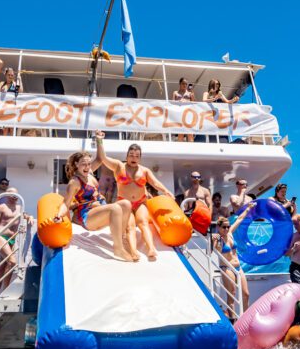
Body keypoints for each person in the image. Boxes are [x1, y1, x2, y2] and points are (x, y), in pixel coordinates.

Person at [95, 131, 174, 261]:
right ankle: (133, 251)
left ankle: (151, 248)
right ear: (127, 155)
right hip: (123, 202)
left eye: (137, 156)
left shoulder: (144, 170)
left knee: (143, 222)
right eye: (131, 155)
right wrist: (99, 141)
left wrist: (166, 191)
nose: (133, 158)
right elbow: (103, 158)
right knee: (129, 227)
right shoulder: (118, 166)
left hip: (140, 202)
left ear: (140, 158)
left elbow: (155, 182)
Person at [55, 151, 135, 262]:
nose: (87, 167)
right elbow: (66, 203)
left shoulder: (90, 173)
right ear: (76, 164)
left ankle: (120, 238)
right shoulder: (74, 182)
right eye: (83, 164)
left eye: (88, 164)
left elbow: (100, 158)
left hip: (100, 210)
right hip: (88, 217)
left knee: (126, 204)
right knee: (115, 208)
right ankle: (118, 249)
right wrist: (59, 215)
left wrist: (99, 139)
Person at [212, 203, 254, 317]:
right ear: (218, 227)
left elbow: (239, 219)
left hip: (238, 267)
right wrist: (214, 240)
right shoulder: (218, 239)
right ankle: (233, 321)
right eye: (224, 227)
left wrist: (248, 209)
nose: (226, 229)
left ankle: (246, 319)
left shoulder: (230, 234)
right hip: (227, 268)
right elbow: (214, 250)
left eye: (228, 226)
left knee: (246, 294)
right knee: (232, 295)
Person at [0, 188, 33, 295]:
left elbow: (25, 215)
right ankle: (6, 292)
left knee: (2, 268)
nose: (15, 196)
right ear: (6, 195)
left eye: (16, 194)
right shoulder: (1, 207)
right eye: (12, 194)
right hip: (2, 237)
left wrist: (30, 217)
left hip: (12, 240)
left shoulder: (20, 208)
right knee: (12, 262)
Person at [172, 78, 195, 142]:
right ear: (180, 84)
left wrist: (191, 96)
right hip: (179, 114)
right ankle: (180, 150)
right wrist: (179, 101)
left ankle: (192, 149)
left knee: (190, 133)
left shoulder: (190, 93)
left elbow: (194, 104)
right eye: (183, 84)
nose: (185, 85)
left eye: (186, 84)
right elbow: (172, 103)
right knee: (180, 133)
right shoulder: (175, 93)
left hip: (188, 114)